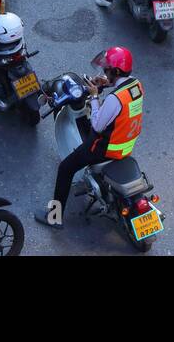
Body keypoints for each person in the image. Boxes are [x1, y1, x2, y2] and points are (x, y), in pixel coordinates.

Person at [35, 47, 143, 230]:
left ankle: (54, 217)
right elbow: (121, 99)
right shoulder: (136, 86)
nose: (104, 71)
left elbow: (98, 126)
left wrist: (94, 96)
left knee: (65, 168)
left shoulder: (114, 100)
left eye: (107, 69)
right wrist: (107, 83)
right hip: (126, 144)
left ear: (116, 71)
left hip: (105, 149)